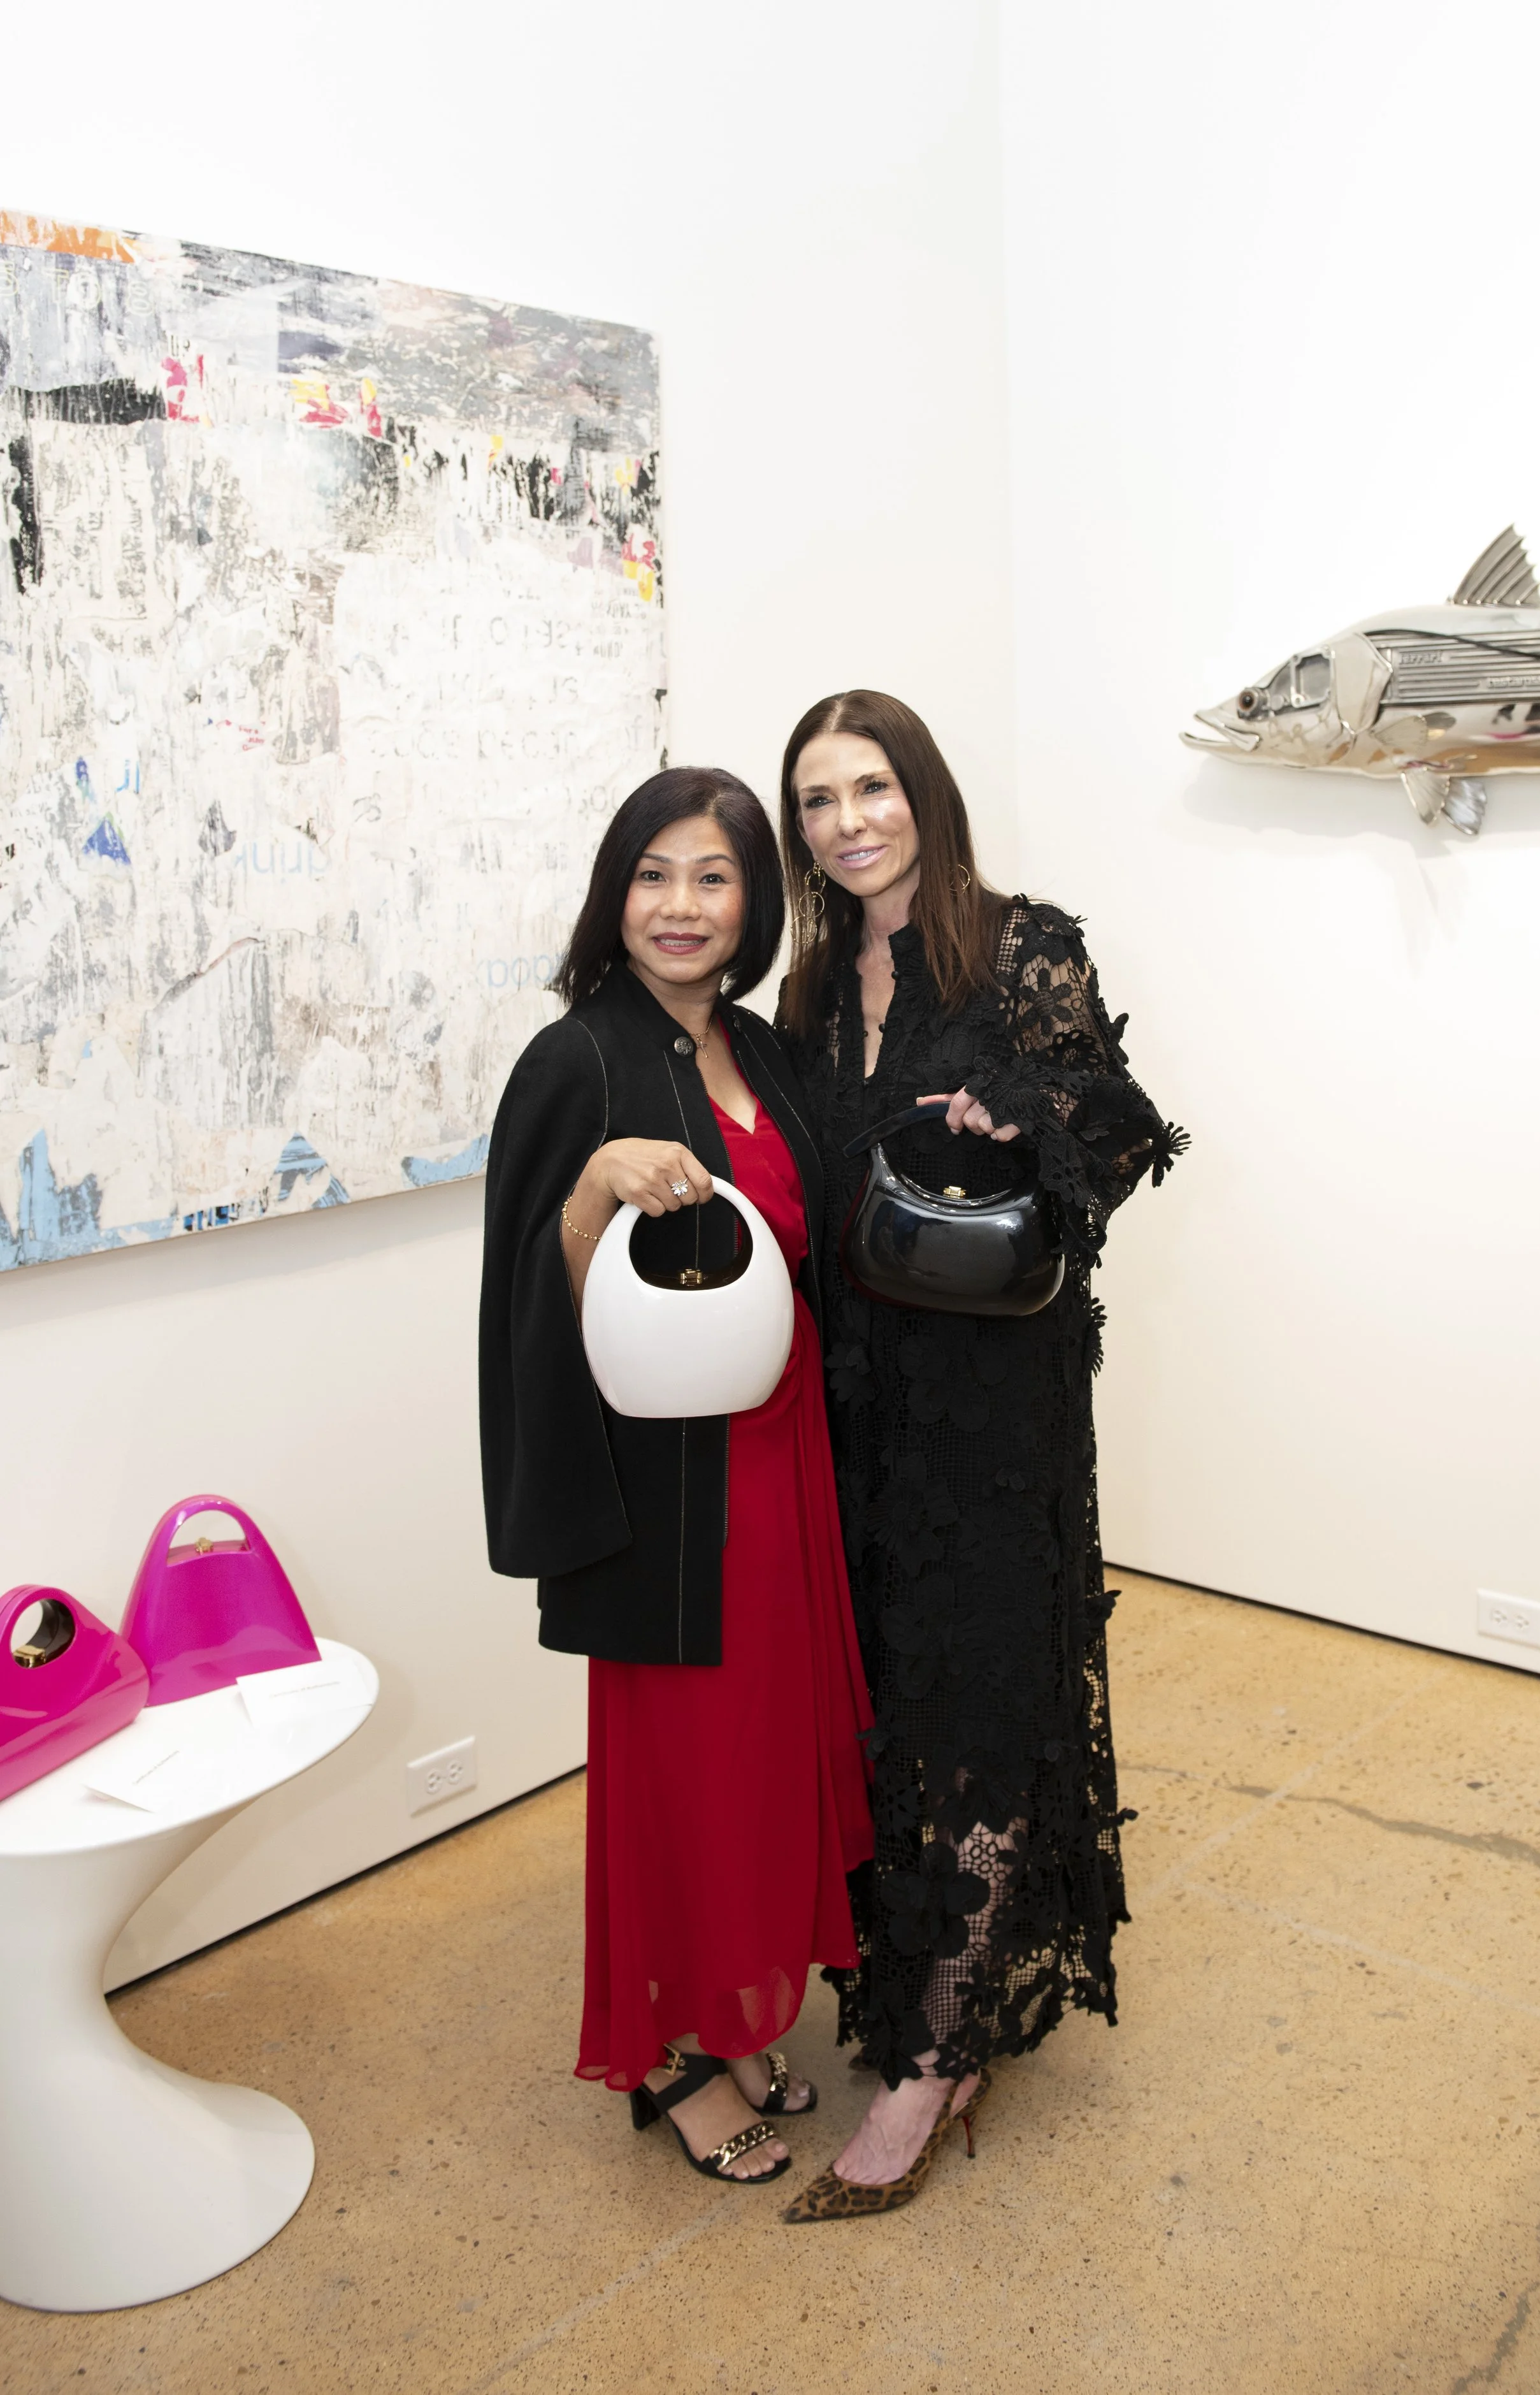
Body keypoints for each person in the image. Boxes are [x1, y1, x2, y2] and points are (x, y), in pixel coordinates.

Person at [772, 692, 1186, 2222]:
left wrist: (1019, 1111)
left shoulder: (1019, 942)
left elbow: (1126, 1131)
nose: (845, 821)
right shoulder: (813, 982)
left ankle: (931, 2059)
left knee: (987, 1697)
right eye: (815, 800)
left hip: (993, 1409)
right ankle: (935, 1992)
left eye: (868, 786)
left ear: (921, 792)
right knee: (894, 1703)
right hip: (860, 1403)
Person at [479, 765, 874, 2187]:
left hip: (781, 1469)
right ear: (615, 891)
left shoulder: (757, 1052)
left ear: (754, 902)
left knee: (763, 1762)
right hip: (670, 1492)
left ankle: (730, 2001)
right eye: (653, 874)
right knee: (681, 1774)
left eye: (712, 877)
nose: (679, 906)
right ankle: (664, 2048)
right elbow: (539, 1299)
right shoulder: (574, 1061)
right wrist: (595, 1183)